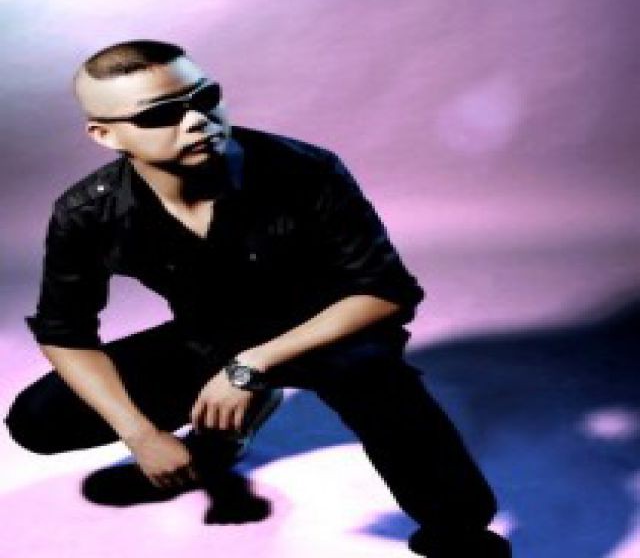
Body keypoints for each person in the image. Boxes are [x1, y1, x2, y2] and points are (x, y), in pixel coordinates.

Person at [4, 40, 510, 557]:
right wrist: (140, 434)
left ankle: (458, 532)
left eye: (205, 98)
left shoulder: (304, 170)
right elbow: (66, 333)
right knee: (39, 420)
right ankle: (220, 440)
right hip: (209, 336)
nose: (197, 121)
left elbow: (386, 292)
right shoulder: (89, 212)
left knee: (373, 375)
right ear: (105, 134)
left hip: (325, 332)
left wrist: (249, 368)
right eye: (160, 115)